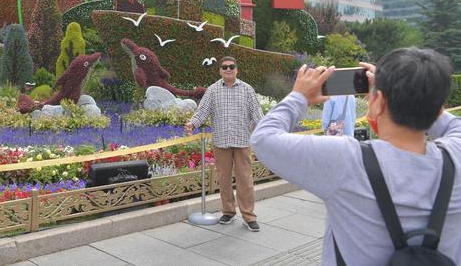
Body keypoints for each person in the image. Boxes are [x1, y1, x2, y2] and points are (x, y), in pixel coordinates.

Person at [251, 48, 461, 264]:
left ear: (378, 102)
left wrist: (299, 97)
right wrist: (421, 96)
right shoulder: (455, 157)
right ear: (438, 110)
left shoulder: (345, 160)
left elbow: (263, 138)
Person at [184, 56, 264, 231]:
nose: (228, 69)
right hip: (221, 143)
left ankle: (249, 216)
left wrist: (266, 129)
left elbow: (257, 113)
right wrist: (192, 123)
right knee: (224, 178)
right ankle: (228, 211)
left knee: (245, 179)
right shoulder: (213, 90)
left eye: (232, 66)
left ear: (237, 70)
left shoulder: (247, 90)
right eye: (224, 67)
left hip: (242, 141)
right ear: (220, 70)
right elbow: (202, 111)